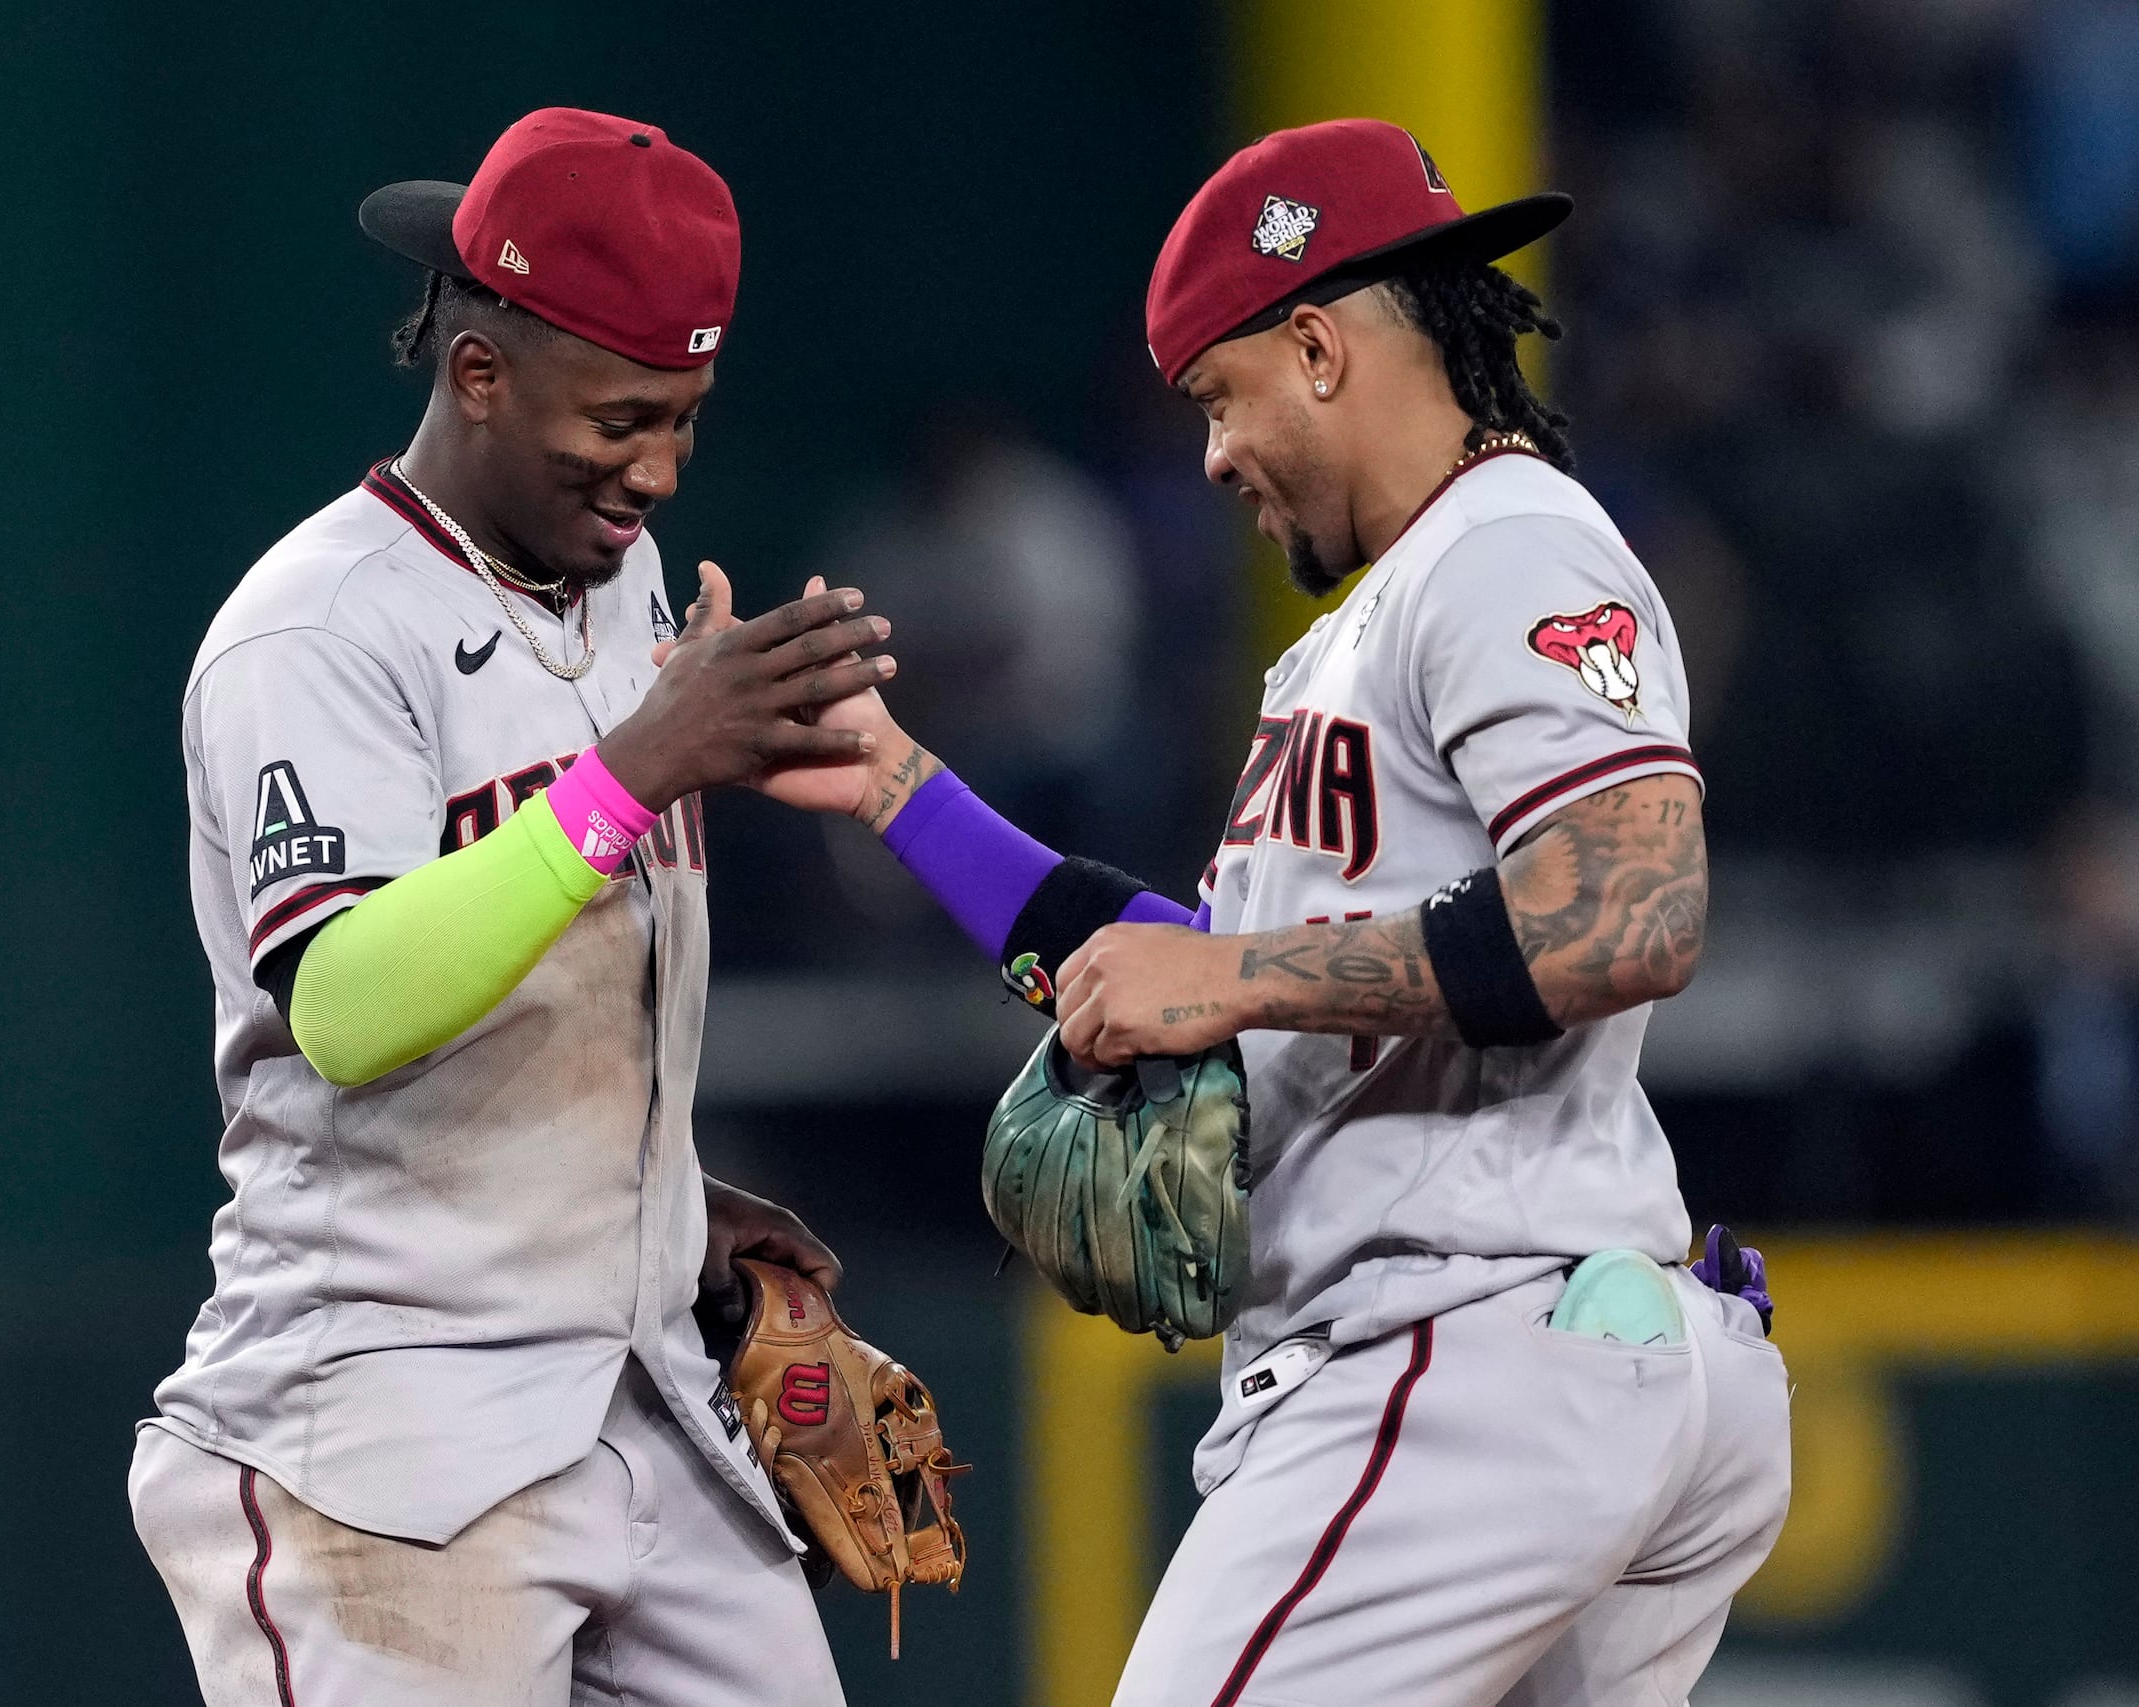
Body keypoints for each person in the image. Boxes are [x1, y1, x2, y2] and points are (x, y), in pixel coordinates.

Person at [769, 120, 1793, 1704]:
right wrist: (904, 791)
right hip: (1551, 1347)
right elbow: (1184, 966)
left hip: (1466, 1348)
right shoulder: (1380, 620)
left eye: (1218, 394)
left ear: (1316, 345)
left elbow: (1629, 912)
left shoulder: (1504, 543)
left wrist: (1237, 980)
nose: (1211, 456)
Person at [127, 108, 894, 1707]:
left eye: (684, 417)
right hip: (386, 1436)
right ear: (479, 374)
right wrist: (632, 774)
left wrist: (655, 1198)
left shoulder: (616, 579)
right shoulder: (318, 629)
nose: (659, 468)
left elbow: (554, 967)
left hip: (641, 1404)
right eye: (621, 419)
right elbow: (342, 1007)